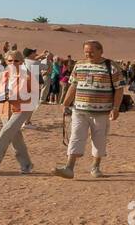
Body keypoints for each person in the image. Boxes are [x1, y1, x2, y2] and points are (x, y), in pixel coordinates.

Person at [53, 40, 125, 179]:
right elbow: (73, 85)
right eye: (86, 51)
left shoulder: (111, 67)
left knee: (99, 139)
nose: (88, 54)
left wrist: (115, 108)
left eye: (91, 51)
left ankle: (95, 167)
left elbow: (119, 88)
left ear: (100, 51)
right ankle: (69, 167)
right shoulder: (79, 65)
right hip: (79, 109)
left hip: (101, 112)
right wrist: (65, 103)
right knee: (76, 136)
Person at [0, 50, 35, 174]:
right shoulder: (2, 75)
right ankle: (27, 165)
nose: (13, 63)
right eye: (10, 60)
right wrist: (2, 96)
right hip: (4, 110)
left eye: (16, 60)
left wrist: (17, 96)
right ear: (6, 61)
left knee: (5, 134)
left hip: (21, 110)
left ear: (22, 62)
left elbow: (33, 95)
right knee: (15, 138)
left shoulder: (27, 76)